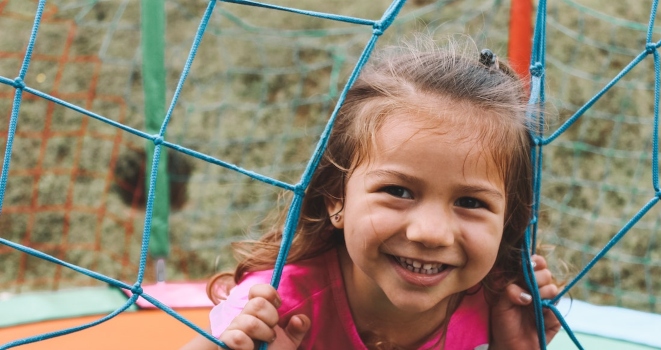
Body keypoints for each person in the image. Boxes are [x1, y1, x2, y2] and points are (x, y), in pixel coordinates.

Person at [182, 38, 561, 350]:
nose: (430, 232)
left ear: (509, 219)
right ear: (336, 198)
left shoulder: (500, 304)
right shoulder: (271, 307)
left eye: (470, 202)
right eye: (398, 191)